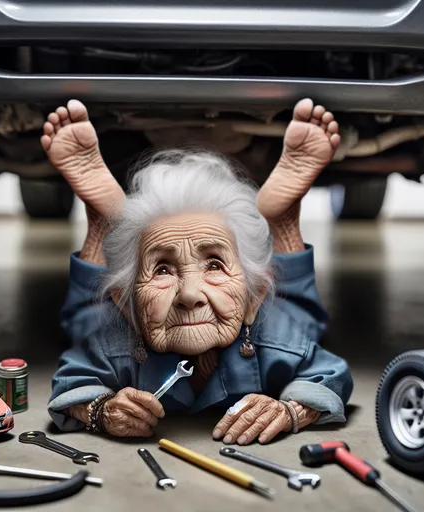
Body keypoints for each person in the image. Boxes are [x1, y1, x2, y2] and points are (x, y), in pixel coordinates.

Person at [43, 98, 353, 446]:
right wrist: (100, 409)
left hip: (273, 308)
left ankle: (282, 222)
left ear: (253, 298)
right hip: (117, 315)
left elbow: (330, 373)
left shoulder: (277, 343)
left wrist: (291, 410)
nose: (189, 295)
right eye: (162, 269)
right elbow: (72, 377)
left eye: (214, 265)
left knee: (299, 315)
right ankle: (103, 222)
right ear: (127, 305)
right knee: (87, 321)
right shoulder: (116, 347)